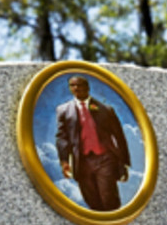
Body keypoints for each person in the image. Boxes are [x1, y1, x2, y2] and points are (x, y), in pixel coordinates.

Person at [55, 75, 132, 211]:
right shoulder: (63, 111)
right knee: (92, 201)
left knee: (109, 199)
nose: (76, 88)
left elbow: (119, 137)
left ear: (87, 88)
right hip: (82, 162)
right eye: (73, 85)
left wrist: (124, 163)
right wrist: (64, 161)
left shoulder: (106, 110)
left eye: (79, 85)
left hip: (105, 159)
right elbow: (62, 138)